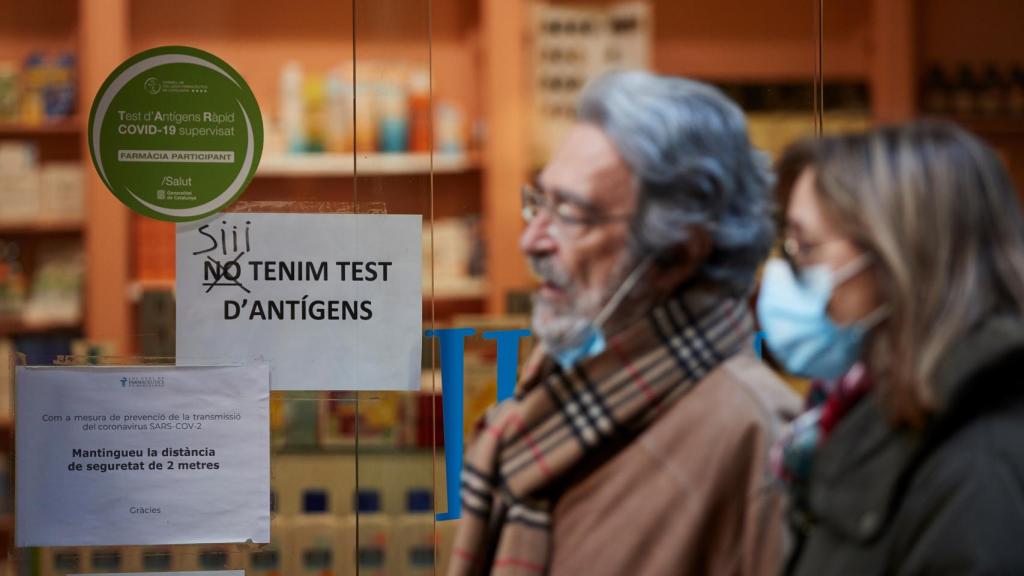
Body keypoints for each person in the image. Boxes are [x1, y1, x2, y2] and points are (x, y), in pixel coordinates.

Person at [448, 71, 799, 576]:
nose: (533, 241)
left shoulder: (758, 438)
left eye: (572, 214)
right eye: (540, 202)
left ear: (677, 253)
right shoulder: (553, 391)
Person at [758, 120, 1024, 574]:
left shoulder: (980, 464)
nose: (782, 274)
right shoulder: (870, 412)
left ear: (899, 255)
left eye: (804, 248)